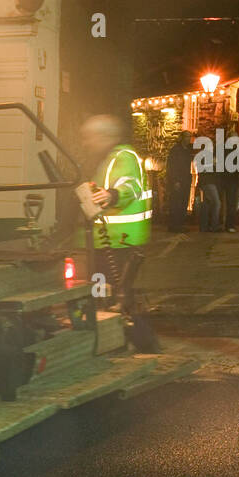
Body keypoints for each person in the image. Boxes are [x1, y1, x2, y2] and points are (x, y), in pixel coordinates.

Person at [83, 115, 160, 352]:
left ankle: (140, 343)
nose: (86, 142)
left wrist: (111, 195)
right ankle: (122, 341)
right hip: (108, 240)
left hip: (121, 240)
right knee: (104, 292)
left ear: (105, 136)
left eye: (90, 137)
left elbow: (130, 186)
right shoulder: (106, 159)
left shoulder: (123, 157)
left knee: (116, 294)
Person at [164, 131, 196, 232]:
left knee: (183, 203)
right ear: (182, 137)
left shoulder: (187, 150)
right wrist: (175, 180)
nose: (189, 139)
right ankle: (174, 225)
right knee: (176, 203)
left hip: (186, 179)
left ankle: (180, 224)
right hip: (178, 180)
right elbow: (171, 166)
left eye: (190, 137)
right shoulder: (176, 150)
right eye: (187, 137)